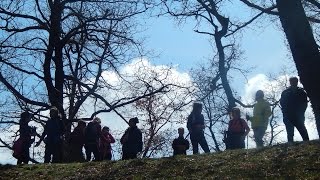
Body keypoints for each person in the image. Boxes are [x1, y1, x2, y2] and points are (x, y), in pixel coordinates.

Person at [280, 77, 309, 142]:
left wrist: (301, 112)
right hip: (288, 115)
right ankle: (291, 145)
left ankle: (307, 143)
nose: (293, 82)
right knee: (290, 132)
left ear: (297, 82)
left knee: (302, 130)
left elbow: (304, 103)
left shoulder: (301, 92)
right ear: (290, 82)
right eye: (292, 81)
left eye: (295, 81)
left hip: (298, 115)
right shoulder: (285, 92)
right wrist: (284, 112)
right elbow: (282, 103)